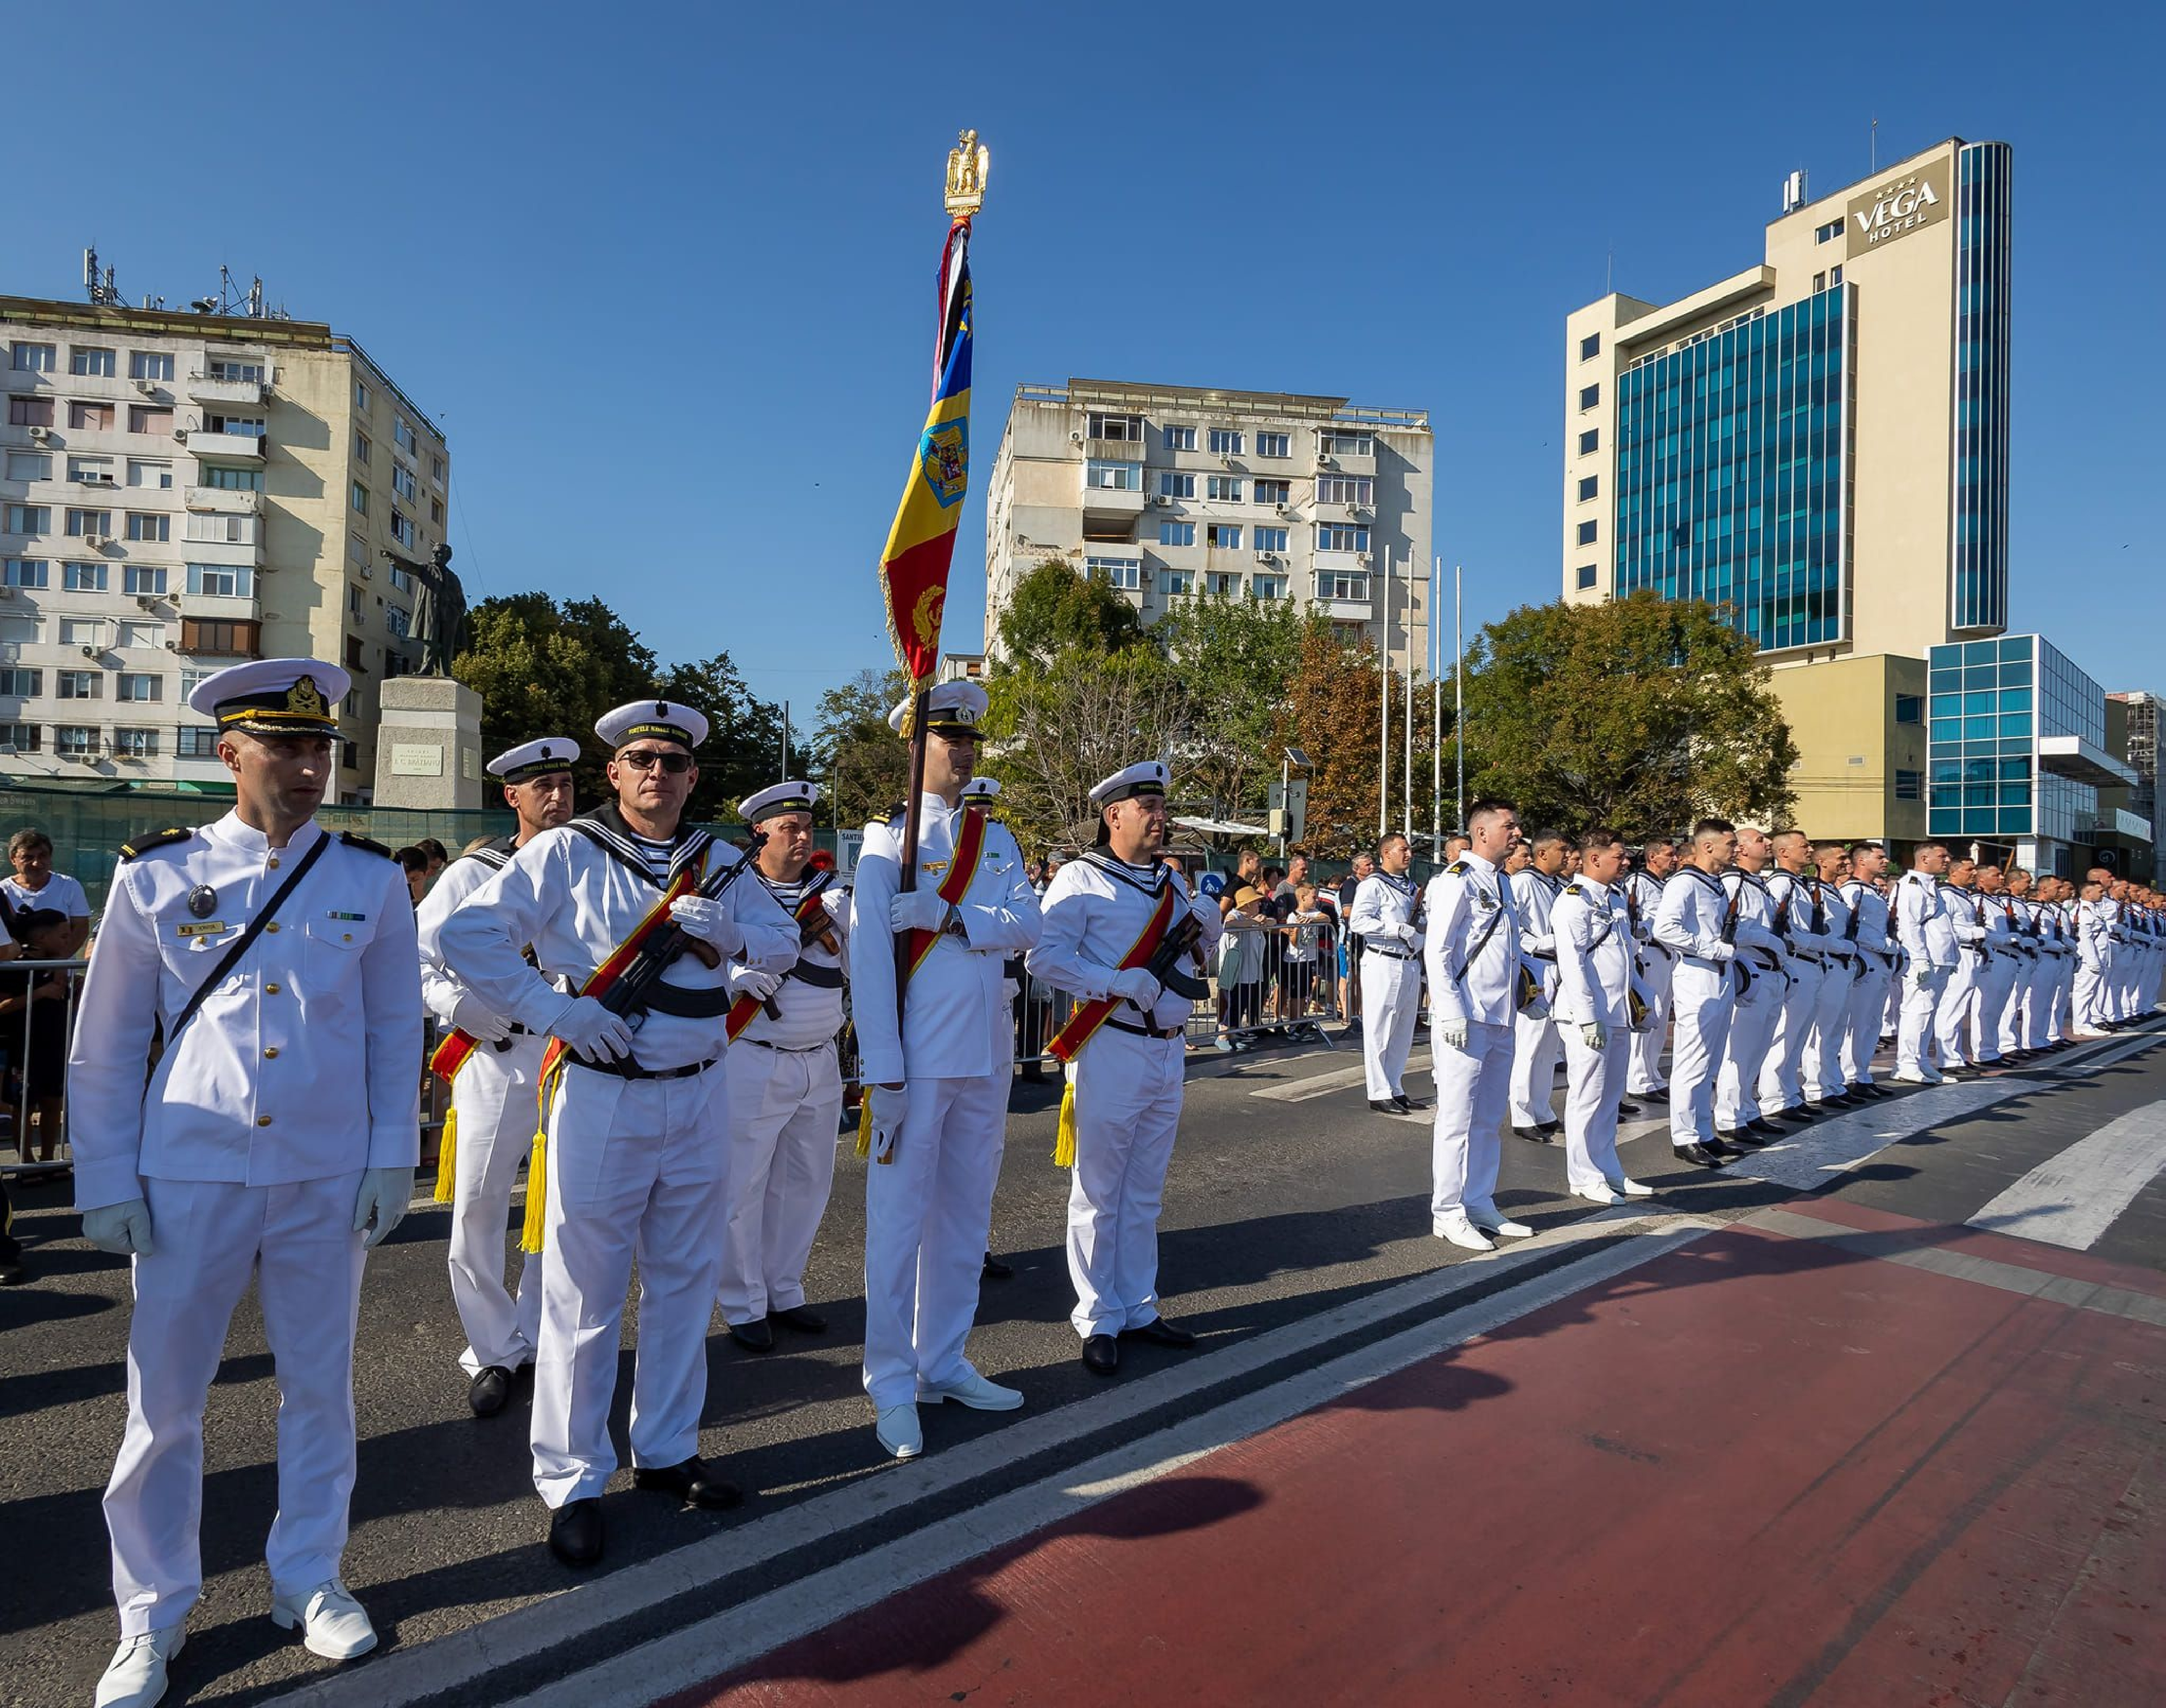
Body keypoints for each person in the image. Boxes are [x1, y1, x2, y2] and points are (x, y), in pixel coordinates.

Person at [70, 658, 421, 1703]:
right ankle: (151, 1612)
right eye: (289, 745)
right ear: (231, 752)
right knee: (163, 1403)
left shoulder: (367, 878)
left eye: (322, 747)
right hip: (191, 1170)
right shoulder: (157, 872)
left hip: (321, 1174)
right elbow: (106, 1042)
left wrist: (393, 1153)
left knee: (318, 1387)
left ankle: (309, 1575)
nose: (312, 765)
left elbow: (397, 1028)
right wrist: (106, 1177)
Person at [440, 698, 796, 1568]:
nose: (655, 775)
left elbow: (783, 940)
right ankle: (570, 1479)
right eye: (640, 759)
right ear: (613, 772)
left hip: (702, 1090)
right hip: (604, 1095)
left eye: (671, 764)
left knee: (682, 1284)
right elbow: (465, 933)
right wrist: (550, 1009)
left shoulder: (718, 860)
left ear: (692, 778)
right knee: (582, 1296)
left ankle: (667, 1450)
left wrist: (735, 932)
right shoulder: (567, 851)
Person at [848, 680, 1042, 1462]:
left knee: (965, 1217)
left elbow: (1029, 922)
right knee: (896, 1228)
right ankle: (892, 1384)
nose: (962, 751)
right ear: (914, 746)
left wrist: (957, 916)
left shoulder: (994, 839)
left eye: (970, 741)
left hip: (985, 1057)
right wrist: (884, 1075)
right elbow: (868, 965)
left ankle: (944, 1361)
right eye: (947, 738)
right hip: (916, 1066)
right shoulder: (883, 843)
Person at [1028, 760, 1221, 1376]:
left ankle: (1138, 1304)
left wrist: (1208, 932)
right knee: (1099, 1192)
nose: (1161, 817)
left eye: (1162, 807)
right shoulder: (1081, 879)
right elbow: (1043, 957)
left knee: (1144, 1192)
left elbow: (1194, 955)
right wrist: (1112, 979)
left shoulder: (1170, 882)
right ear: (1114, 814)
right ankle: (1096, 1315)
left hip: (1167, 1047)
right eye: (1148, 808)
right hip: (1110, 1044)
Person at [415, 737, 580, 1419]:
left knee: (562, 1209)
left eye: (566, 782)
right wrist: (462, 1006)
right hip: (496, 1055)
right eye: (540, 784)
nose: (557, 795)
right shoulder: (468, 875)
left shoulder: (586, 864)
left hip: (572, 1058)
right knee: (480, 1205)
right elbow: (418, 962)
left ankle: (544, 1337)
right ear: (511, 796)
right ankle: (492, 1346)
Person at [716, 780, 849, 1353]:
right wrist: (732, 981)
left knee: (807, 1183)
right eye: (787, 827)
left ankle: (784, 1287)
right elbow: (695, 959)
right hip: (753, 1055)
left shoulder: (832, 893)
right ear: (758, 833)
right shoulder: (734, 893)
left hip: (821, 1056)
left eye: (806, 826)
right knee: (742, 1186)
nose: (801, 837)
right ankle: (743, 1301)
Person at [1422, 799, 1530, 1251]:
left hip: (1500, 1016)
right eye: (1509, 825)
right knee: (1455, 1119)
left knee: (1488, 1118)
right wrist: (1449, 1011)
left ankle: (1479, 1199)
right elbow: (1439, 952)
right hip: (1465, 1016)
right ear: (1482, 833)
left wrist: (1532, 992)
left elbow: (1509, 950)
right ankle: (1447, 1211)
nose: (1517, 832)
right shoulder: (1456, 882)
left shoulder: (1502, 882)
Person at [1553, 828, 1654, 1204]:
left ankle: (1607, 1165)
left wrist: (1644, 1001)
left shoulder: (1612, 899)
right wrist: (1586, 1015)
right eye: (1619, 855)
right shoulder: (1573, 902)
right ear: (1594, 858)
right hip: (1587, 1016)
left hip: (1616, 1012)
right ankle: (1583, 1174)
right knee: (1587, 1096)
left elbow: (1626, 958)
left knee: (1610, 1096)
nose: (1626, 861)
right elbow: (1573, 963)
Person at [1651, 818, 1741, 1168]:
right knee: (1692, 1060)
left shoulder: (1715, 884)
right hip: (1697, 974)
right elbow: (1665, 929)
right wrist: (1712, 949)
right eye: (1730, 844)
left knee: (1711, 1060)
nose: (1734, 850)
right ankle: (1684, 1136)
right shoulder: (1685, 882)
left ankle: (1704, 1131)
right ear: (1707, 846)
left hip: (1721, 975)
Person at [1714, 826, 1790, 1146]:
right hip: (1750, 971)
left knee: (1758, 1048)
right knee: (1740, 1050)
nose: (1767, 843)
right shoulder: (1735, 883)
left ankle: (1747, 1109)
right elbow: (1729, 931)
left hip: (1771, 971)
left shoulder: (1760, 885)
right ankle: (1730, 1116)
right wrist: (1769, 940)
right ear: (1743, 849)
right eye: (1760, 840)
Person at [1349, 831, 1426, 1114]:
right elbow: (1358, 921)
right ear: (1386, 853)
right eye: (1402, 849)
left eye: (1409, 850)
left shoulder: (1409, 886)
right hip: (1383, 960)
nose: (1408, 854)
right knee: (1380, 1029)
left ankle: (1395, 1087)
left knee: (1403, 1030)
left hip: (1408, 960)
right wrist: (1395, 930)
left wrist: (1420, 935)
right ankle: (1379, 1091)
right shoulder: (1373, 885)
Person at [1759, 831, 1834, 1121]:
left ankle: (1789, 1092)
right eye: (1804, 846)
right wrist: (1815, 942)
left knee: (1799, 1035)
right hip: (1796, 961)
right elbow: (1781, 927)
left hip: (1811, 962)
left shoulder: (1799, 884)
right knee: (1785, 1035)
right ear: (1784, 853)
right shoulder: (1780, 883)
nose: (1810, 849)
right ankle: (1774, 1097)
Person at [0, 905, 76, 1164]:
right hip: (25, 1046)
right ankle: (27, 1162)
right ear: (43, 938)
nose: (69, 942)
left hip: (54, 1044)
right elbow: (3, 1006)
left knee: (53, 1103)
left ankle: (48, 1158)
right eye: (64, 937)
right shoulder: (19, 967)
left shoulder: (63, 967)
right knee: (25, 1106)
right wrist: (39, 993)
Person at [1505, 831, 1568, 1141]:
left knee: (1548, 1046)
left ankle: (1542, 1109)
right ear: (1543, 854)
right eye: (1562, 850)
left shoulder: (1561, 886)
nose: (1567, 855)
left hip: (1561, 965)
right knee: (1529, 1046)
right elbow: (1510, 927)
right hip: (1537, 965)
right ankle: (1522, 1113)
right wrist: (1541, 942)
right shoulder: (1523, 883)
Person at [1893, 839, 1958, 1082]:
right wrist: (1919, 958)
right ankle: (1907, 1064)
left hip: (1939, 960)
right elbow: (1909, 926)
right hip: (1924, 959)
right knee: (1916, 1011)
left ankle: (1920, 1061)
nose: (1947, 860)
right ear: (1924, 859)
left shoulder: (1930, 885)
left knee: (1928, 1013)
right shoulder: (1912, 886)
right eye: (1942, 856)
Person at [1837, 842, 1895, 1098]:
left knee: (1872, 1021)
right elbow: (1851, 928)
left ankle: (1862, 1073)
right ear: (1861, 861)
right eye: (1880, 857)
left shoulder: (1871, 891)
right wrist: (1883, 945)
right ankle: (1851, 1075)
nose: (1885, 861)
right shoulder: (1853, 891)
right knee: (1858, 1021)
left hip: (1880, 958)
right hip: (1865, 958)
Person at [1623, 838, 1677, 1102]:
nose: (1674, 859)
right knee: (1646, 1014)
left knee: (1661, 1017)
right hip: (1649, 953)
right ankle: (1638, 1079)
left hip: (1668, 956)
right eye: (1668, 854)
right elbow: (1631, 919)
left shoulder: (1666, 884)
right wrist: (1653, 927)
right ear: (1652, 857)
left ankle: (1652, 1074)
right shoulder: (1638, 883)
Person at [1935, 856, 1989, 1072]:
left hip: (1972, 952)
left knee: (1960, 1008)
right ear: (1954, 872)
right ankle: (1947, 1059)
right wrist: (1972, 933)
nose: (1974, 873)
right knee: (1951, 1007)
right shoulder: (1947, 895)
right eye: (1970, 869)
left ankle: (1955, 1055)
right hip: (1960, 951)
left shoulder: (1963, 896)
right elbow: (1946, 928)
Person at [3, 827, 91, 957]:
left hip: (60, 972)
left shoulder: (69, 886)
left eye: (43, 856)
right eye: (28, 857)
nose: (36, 864)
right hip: (15, 971)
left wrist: (58, 963)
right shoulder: (3, 891)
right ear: (13, 859)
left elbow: (81, 928)